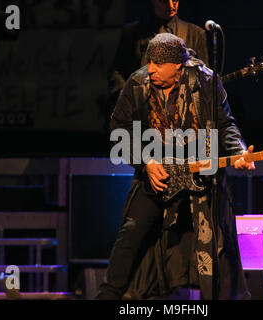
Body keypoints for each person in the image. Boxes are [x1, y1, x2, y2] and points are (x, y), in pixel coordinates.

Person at [96, 33, 253, 300]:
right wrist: (146, 161)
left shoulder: (206, 81)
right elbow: (117, 129)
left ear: (178, 68)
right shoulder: (138, 83)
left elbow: (226, 124)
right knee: (131, 232)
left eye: (158, 64)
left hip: (199, 175)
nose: (152, 69)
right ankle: (108, 296)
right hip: (158, 173)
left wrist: (238, 151)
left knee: (213, 242)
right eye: (150, 62)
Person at [106, 0, 209, 120]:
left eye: (175, 0)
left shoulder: (195, 34)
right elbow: (116, 71)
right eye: (164, 1)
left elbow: (204, 77)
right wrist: (125, 94)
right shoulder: (132, 32)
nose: (171, 5)